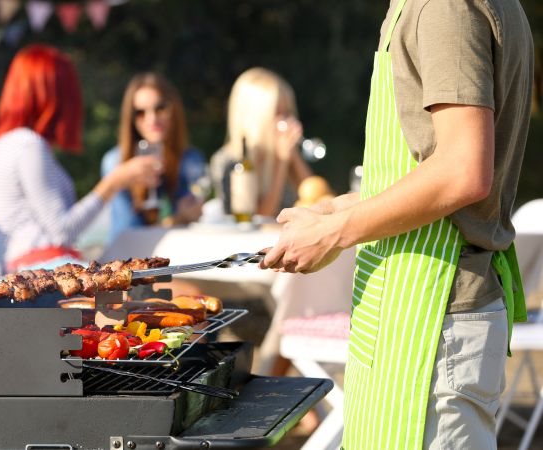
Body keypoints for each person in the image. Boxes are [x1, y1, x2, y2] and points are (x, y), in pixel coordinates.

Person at [260, 0, 533, 449]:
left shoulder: (446, 7)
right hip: (406, 310)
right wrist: (335, 212)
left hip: (433, 319)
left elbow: (463, 171)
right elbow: (421, 170)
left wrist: (334, 234)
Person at [0, 44, 161, 272]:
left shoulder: (3, 144)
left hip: (30, 265)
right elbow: (62, 231)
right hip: (43, 267)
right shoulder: (29, 146)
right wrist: (114, 182)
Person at [101, 72, 206, 242]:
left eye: (160, 108)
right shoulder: (116, 162)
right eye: (140, 112)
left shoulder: (191, 160)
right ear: (131, 119)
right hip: (129, 260)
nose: (152, 119)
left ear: (174, 110)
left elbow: (197, 221)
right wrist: (177, 219)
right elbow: (128, 235)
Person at [210, 67, 313, 218]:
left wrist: (294, 158)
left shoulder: (286, 153)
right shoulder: (228, 162)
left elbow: (318, 197)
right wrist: (281, 162)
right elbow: (259, 217)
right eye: (277, 113)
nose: (286, 121)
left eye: (288, 113)